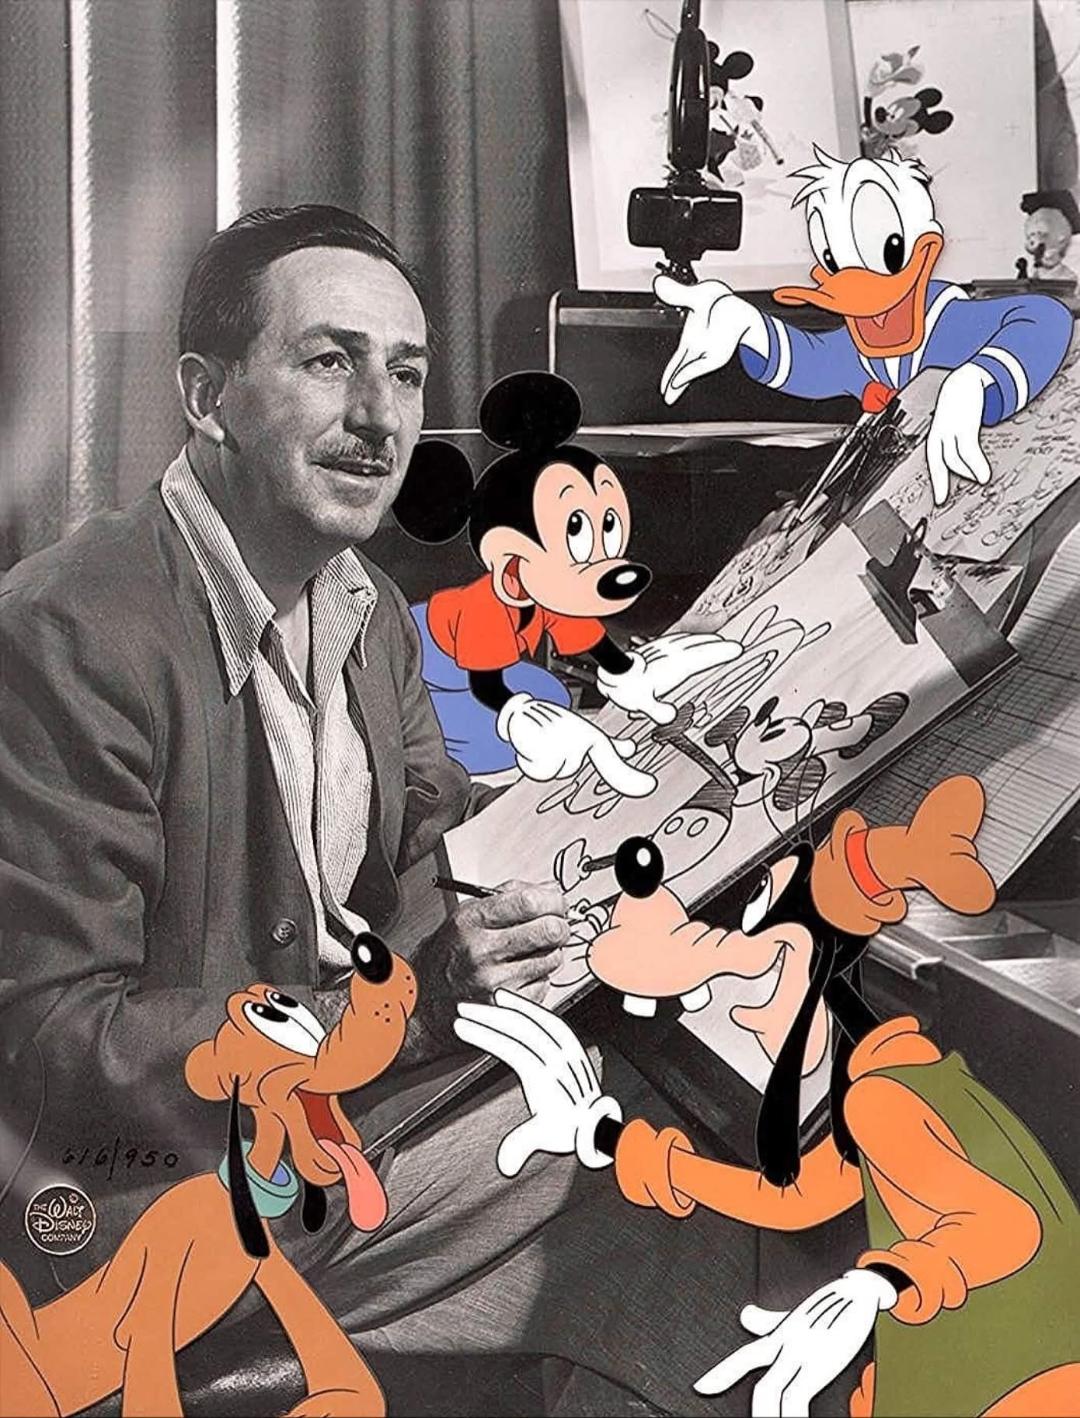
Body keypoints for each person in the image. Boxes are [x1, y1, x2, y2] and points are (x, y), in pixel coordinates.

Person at [0, 206, 831, 1417]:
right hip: (141, 1208)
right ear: (206, 395)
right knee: (678, 1174)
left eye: (404, 372)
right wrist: (403, 1011)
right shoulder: (70, 629)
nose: (380, 417)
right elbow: (52, 1037)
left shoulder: (366, 609)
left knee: (715, 1129)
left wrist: (683, 829)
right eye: (328, 360)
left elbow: (448, 852)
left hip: (325, 1133)